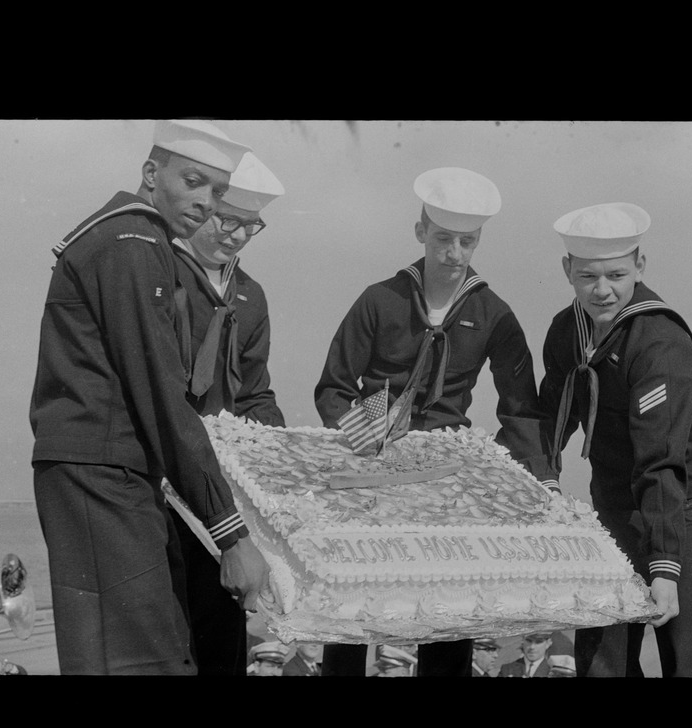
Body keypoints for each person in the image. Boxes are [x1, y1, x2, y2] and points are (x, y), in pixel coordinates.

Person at [29, 120, 271, 675]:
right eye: (192, 181)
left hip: (107, 469)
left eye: (216, 190)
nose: (206, 203)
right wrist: (231, 534)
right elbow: (161, 393)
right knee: (141, 658)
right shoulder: (134, 244)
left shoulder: (131, 238)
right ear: (150, 173)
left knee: (137, 652)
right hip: (101, 472)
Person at [314, 167, 553, 677]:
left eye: (468, 241)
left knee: (448, 607)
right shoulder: (380, 299)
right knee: (354, 603)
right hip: (370, 457)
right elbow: (334, 386)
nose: (455, 253)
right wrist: (367, 432)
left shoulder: (494, 312)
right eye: (444, 238)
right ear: (421, 231)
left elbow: (519, 407)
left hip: (446, 464)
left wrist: (529, 477)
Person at [540, 202, 692, 678]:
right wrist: (543, 483)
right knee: (601, 656)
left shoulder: (660, 342)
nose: (602, 290)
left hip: (683, 503)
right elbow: (547, 420)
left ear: (640, 266)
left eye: (616, 274)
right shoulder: (566, 330)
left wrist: (665, 566)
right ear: (568, 269)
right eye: (588, 276)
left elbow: (660, 461)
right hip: (611, 500)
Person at [166, 152, 286, 675]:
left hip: (221, 487)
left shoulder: (250, 295)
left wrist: (278, 456)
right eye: (227, 219)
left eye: (250, 226)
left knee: (221, 623)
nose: (236, 236)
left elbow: (255, 392)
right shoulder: (162, 273)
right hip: (165, 472)